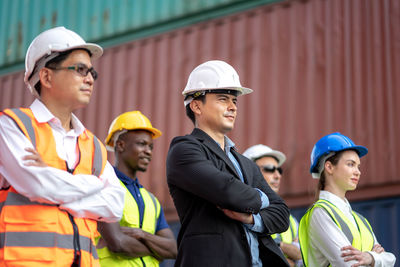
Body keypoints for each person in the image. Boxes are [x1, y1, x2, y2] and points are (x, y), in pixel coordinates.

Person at [0, 26, 125, 266]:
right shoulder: (12, 126)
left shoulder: (94, 146)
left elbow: (116, 206)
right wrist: (94, 184)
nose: (90, 78)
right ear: (46, 77)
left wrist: (52, 181)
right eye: (80, 69)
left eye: (91, 72)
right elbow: (36, 185)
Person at [166, 60, 290, 267]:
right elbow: (228, 192)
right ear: (196, 105)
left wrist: (251, 218)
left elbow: (282, 215)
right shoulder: (184, 150)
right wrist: (262, 198)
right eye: (223, 99)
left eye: (235, 101)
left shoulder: (246, 164)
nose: (233, 107)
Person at [298, 132, 396, 267]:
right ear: (329, 167)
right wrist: (377, 259)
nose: (358, 171)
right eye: (351, 164)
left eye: (358, 166)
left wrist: (370, 257)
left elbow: (391, 259)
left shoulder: (361, 220)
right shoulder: (320, 213)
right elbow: (349, 265)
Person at [96, 111, 177, 266]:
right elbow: (118, 244)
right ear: (120, 145)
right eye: (141, 144)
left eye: (151, 146)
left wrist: (142, 235)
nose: (148, 151)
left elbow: (172, 249)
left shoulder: (151, 200)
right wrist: (156, 249)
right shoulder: (103, 186)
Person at [243, 144, 303, 267]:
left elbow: (302, 256)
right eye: (270, 169)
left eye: (279, 170)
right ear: (249, 171)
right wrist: (286, 252)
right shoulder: (240, 213)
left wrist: (277, 245)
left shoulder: (290, 220)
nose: (277, 175)